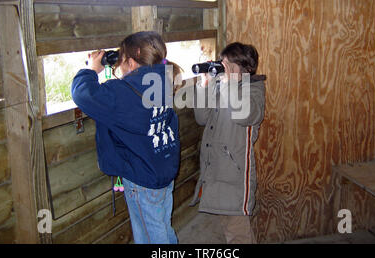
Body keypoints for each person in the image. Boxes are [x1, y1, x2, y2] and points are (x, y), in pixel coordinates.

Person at [71, 31, 182, 244]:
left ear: (132, 60)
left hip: (143, 179)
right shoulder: (164, 78)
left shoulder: (124, 92)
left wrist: (91, 69)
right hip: (163, 169)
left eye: (122, 60)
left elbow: (82, 93)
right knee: (162, 228)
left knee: (151, 237)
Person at [190, 42, 266, 244]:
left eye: (228, 64)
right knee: (227, 226)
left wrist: (228, 83)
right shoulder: (221, 85)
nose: (223, 68)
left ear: (245, 67)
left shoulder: (254, 90)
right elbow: (202, 118)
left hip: (235, 175)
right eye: (221, 63)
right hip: (214, 169)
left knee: (237, 232)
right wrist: (204, 84)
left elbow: (244, 115)